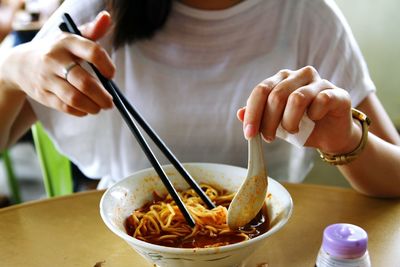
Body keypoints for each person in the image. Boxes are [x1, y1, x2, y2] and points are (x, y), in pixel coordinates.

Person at [0, 0, 399, 197]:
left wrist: (344, 138)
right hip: (126, 246)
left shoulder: (306, 15)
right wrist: (11, 72)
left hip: (268, 250)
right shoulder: (101, 8)